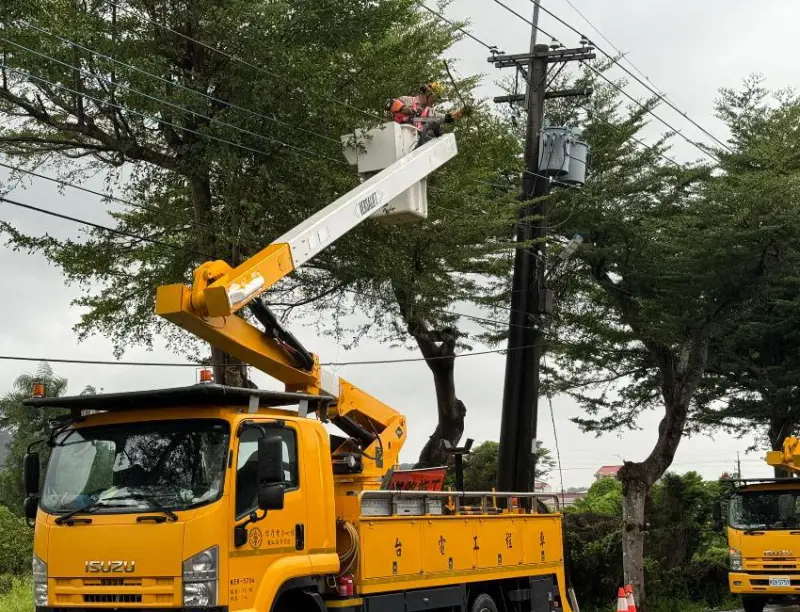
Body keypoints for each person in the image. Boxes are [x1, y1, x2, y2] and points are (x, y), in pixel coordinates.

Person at [388, 82, 469, 146]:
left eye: (437, 98)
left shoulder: (429, 113)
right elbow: (390, 104)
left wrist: (459, 113)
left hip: (412, 146)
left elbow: (446, 118)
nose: (435, 101)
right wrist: (402, 108)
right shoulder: (407, 100)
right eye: (434, 97)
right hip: (396, 140)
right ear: (427, 93)